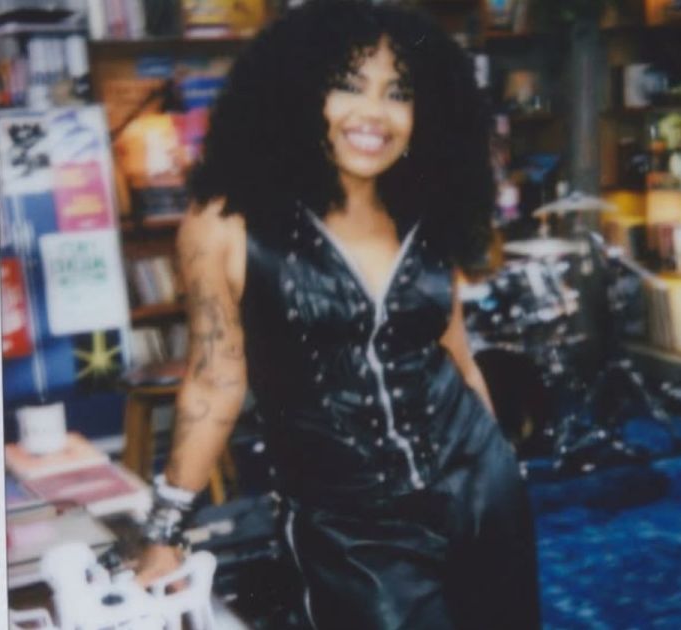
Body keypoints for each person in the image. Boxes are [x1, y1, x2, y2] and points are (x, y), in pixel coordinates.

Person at [134, 2, 540, 628]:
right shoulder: (226, 222)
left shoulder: (427, 213)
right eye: (348, 85)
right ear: (297, 93)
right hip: (352, 530)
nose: (373, 113)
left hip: (483, 494)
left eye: (398, 93)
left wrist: (502, 462)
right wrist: (165, 530)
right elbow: (215, 381)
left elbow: (458, 358)